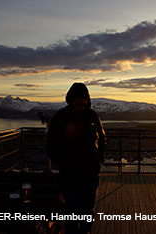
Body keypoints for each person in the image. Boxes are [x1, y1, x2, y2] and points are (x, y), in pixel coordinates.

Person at [46, 83, 106, 234]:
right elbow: (51, 146)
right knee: (72, 210)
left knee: (87, 210)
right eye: (79, 98)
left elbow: (103, 138)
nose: (82, 102)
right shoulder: (60, 118)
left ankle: (85, 231)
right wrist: (63, 164)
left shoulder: (92, 116)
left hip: (91, 172)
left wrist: (100, 159)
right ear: (70, 99)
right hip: (69, 174)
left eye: (84, 98)